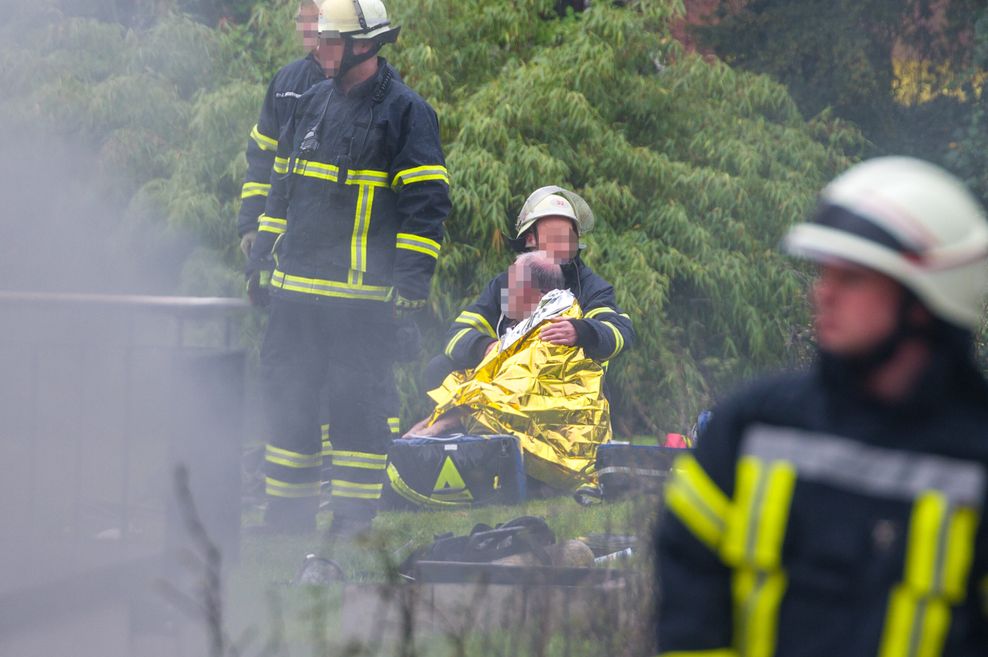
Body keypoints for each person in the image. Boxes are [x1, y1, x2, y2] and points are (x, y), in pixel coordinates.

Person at [655, 157, 988, 656]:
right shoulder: (752, 428)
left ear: (923, 300)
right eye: (823, 272)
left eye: (851, 278)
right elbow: (687, 578)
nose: (822, 293)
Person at [245, 0, 451, 536]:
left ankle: (353, 518)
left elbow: (426, 203)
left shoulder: (406, 113)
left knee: (355, 406)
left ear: (365, 44)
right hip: (295, 295)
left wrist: (410, 282)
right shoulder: (309, 102)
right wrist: (261, 255)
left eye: (329, 40)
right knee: (288, 397)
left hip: (361, 301)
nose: (317, 48)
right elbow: (281, 188)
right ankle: (285, 517)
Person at [408, 251, 613, 491]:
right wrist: (486, 348)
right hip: (540, 423)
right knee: (447, 372)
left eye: (511, 283)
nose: (504, 291)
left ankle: (433, 444)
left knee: (476, 398)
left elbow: (507, 394)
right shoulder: (538, 320)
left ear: (530, 291)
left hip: (562, 443)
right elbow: (461, 340)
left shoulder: (553, 329)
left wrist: (435, 427)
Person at [423, 186, 635, 392]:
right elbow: (456, 335)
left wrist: (581, 331)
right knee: (439, 368)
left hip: (568, 390)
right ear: (530, 238)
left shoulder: (590, 286)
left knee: (604, 390)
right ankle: (449, 427)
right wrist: (485, 347)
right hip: (506, 386)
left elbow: (620, 332)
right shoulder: (505, 285)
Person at [236, 0, 324, 258]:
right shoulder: (286, 82)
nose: (306, 28)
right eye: (301, 20)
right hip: (283, 244)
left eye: (313, 20)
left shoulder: (368, 84)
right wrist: (251, 225)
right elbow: (262, 158)